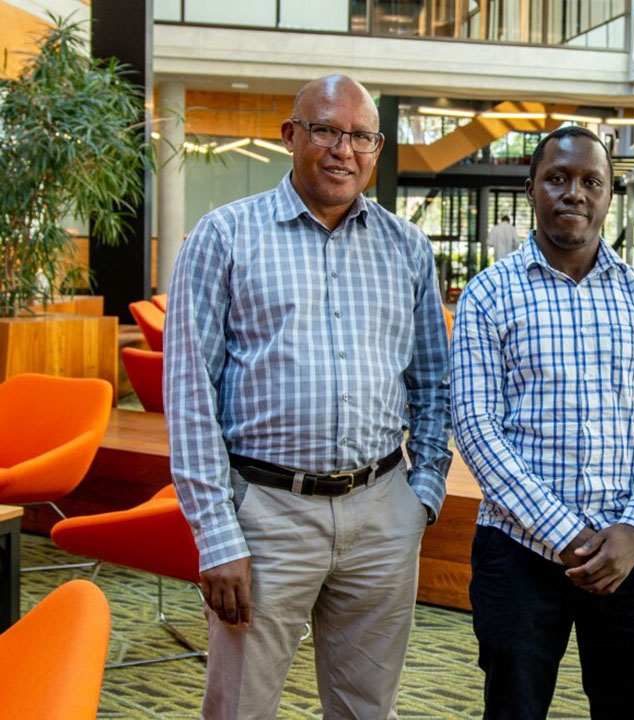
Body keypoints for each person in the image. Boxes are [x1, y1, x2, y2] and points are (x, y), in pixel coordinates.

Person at [164, 74, 451, 720]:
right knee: (240, 707)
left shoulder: (406, 247)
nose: (342, 150)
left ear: (376, 149)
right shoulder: (224, 238)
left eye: (360, 137)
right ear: (291, 136)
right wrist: (216, 534)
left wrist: (422, 495)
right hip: (264, 515)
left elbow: (434, 382)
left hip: (382, 511)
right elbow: (189, 398)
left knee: (366, 708)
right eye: (325, 130)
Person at [450, 126, 634, 720]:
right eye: (557, 178)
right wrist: (565, 534)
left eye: (591, 182)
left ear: (611, 196)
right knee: (514, 709)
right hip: (520, 550)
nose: (574, 193)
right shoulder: (488, 295)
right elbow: (476, 427)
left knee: (628, 708)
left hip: (628, 552)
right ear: (532, 189)